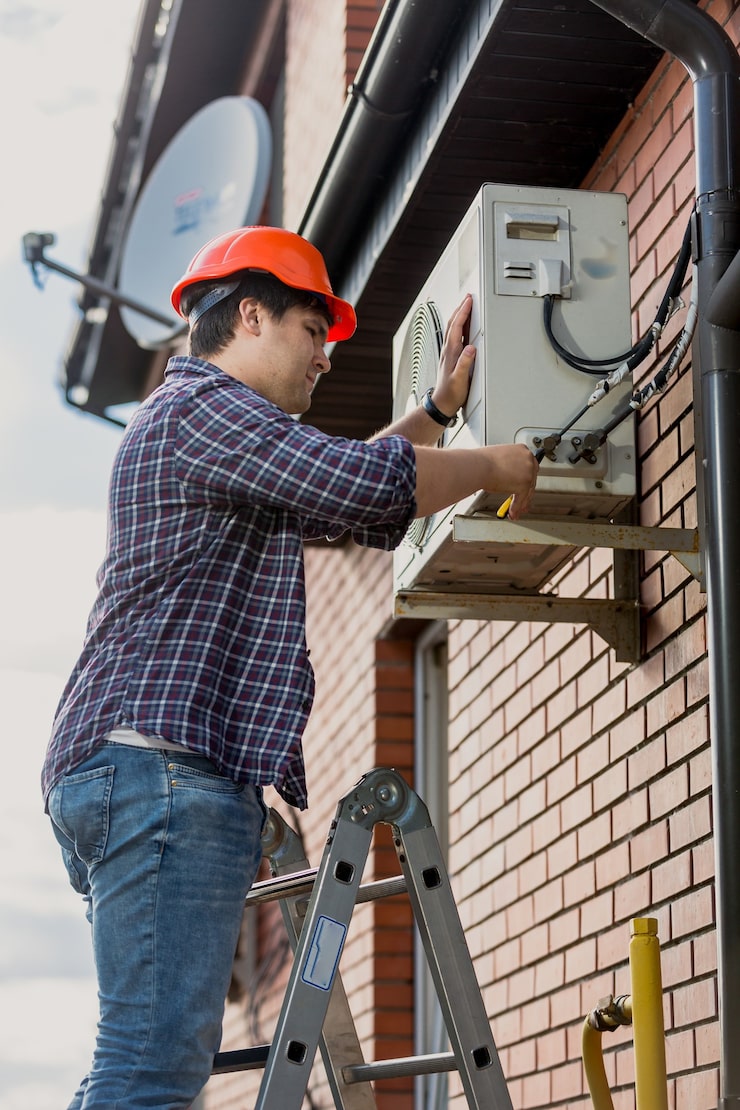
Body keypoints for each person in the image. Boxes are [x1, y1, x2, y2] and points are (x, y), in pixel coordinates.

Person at [42, 225, 538, 1108]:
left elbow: (334, 494)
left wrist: (439, 413)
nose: (325, 358)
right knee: (149, 1072)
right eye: (315, 332)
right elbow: (357, 485)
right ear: (251, 314)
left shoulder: (218, 437)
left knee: (141, 1060)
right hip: (161, 773)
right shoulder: (205, 408)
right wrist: (497, 464)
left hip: (138, 771)